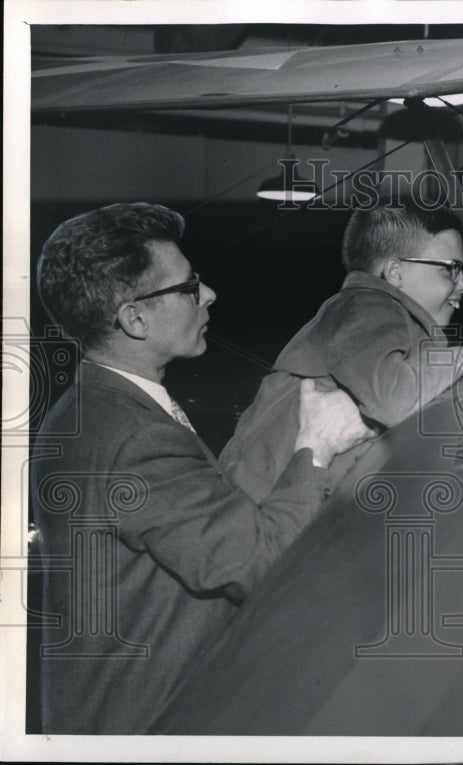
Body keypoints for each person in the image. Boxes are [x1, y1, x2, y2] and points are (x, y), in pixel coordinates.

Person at [31, 202, 372, 734]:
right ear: (134, 318)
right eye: (188, 287)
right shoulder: (135, 437)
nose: (208, 294)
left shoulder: (86, 413)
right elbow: (259, 564)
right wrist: (318, 442)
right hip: (153, 725)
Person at [220, 195, 463, 502]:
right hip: (266, 507)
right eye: (451, 269)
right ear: (396, 274)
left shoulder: (375, 316)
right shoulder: (369, 304)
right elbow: (393, 400)